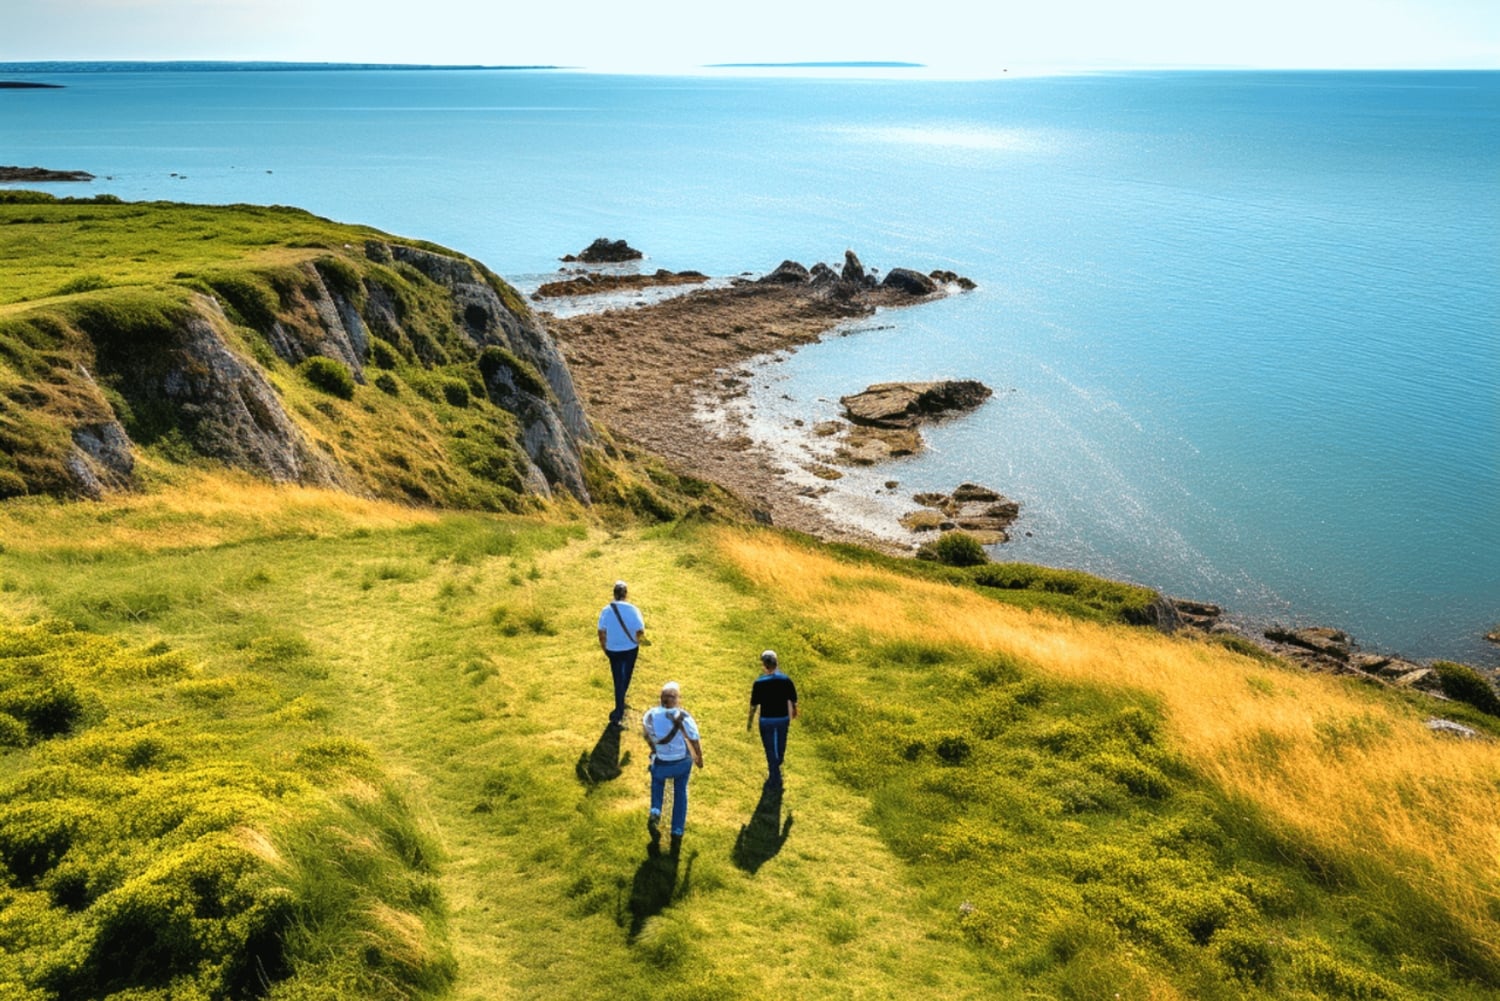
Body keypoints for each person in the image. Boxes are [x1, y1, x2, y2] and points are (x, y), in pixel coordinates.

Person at [641, 681, 703, 852]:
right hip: (681, 763)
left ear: (661, 698)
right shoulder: (684, 716)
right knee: (680, 792)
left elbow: (646, 734)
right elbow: (694, 738)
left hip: (661, 762)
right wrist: (699, 758)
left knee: (657, 782)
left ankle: (655, 810)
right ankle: (677, 831)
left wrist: (654, 749)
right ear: (677, 699)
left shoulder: (650, 715)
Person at [747, 649, 798, 788]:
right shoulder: (786, 680)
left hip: (766, 720)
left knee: (769, 748)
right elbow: (793, 700)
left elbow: (754, 705)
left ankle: (774, 776)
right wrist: (794, 711)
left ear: (764, 665)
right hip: (782, 718)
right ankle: (777, 769)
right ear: (776, 663)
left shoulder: (759, 683)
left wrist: (750, 721)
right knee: (781, 745)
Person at [597, 580, 645, 727]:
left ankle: (619, 706)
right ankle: (619, 706)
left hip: (613, 649)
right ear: (626, 594)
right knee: (626, 676)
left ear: (614, 594)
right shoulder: (633, 609)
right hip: (630, 648)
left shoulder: (606, 610)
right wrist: (638, 641)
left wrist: (604, 648)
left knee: (617, 678)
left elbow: (601, 632)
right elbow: (640, 631)